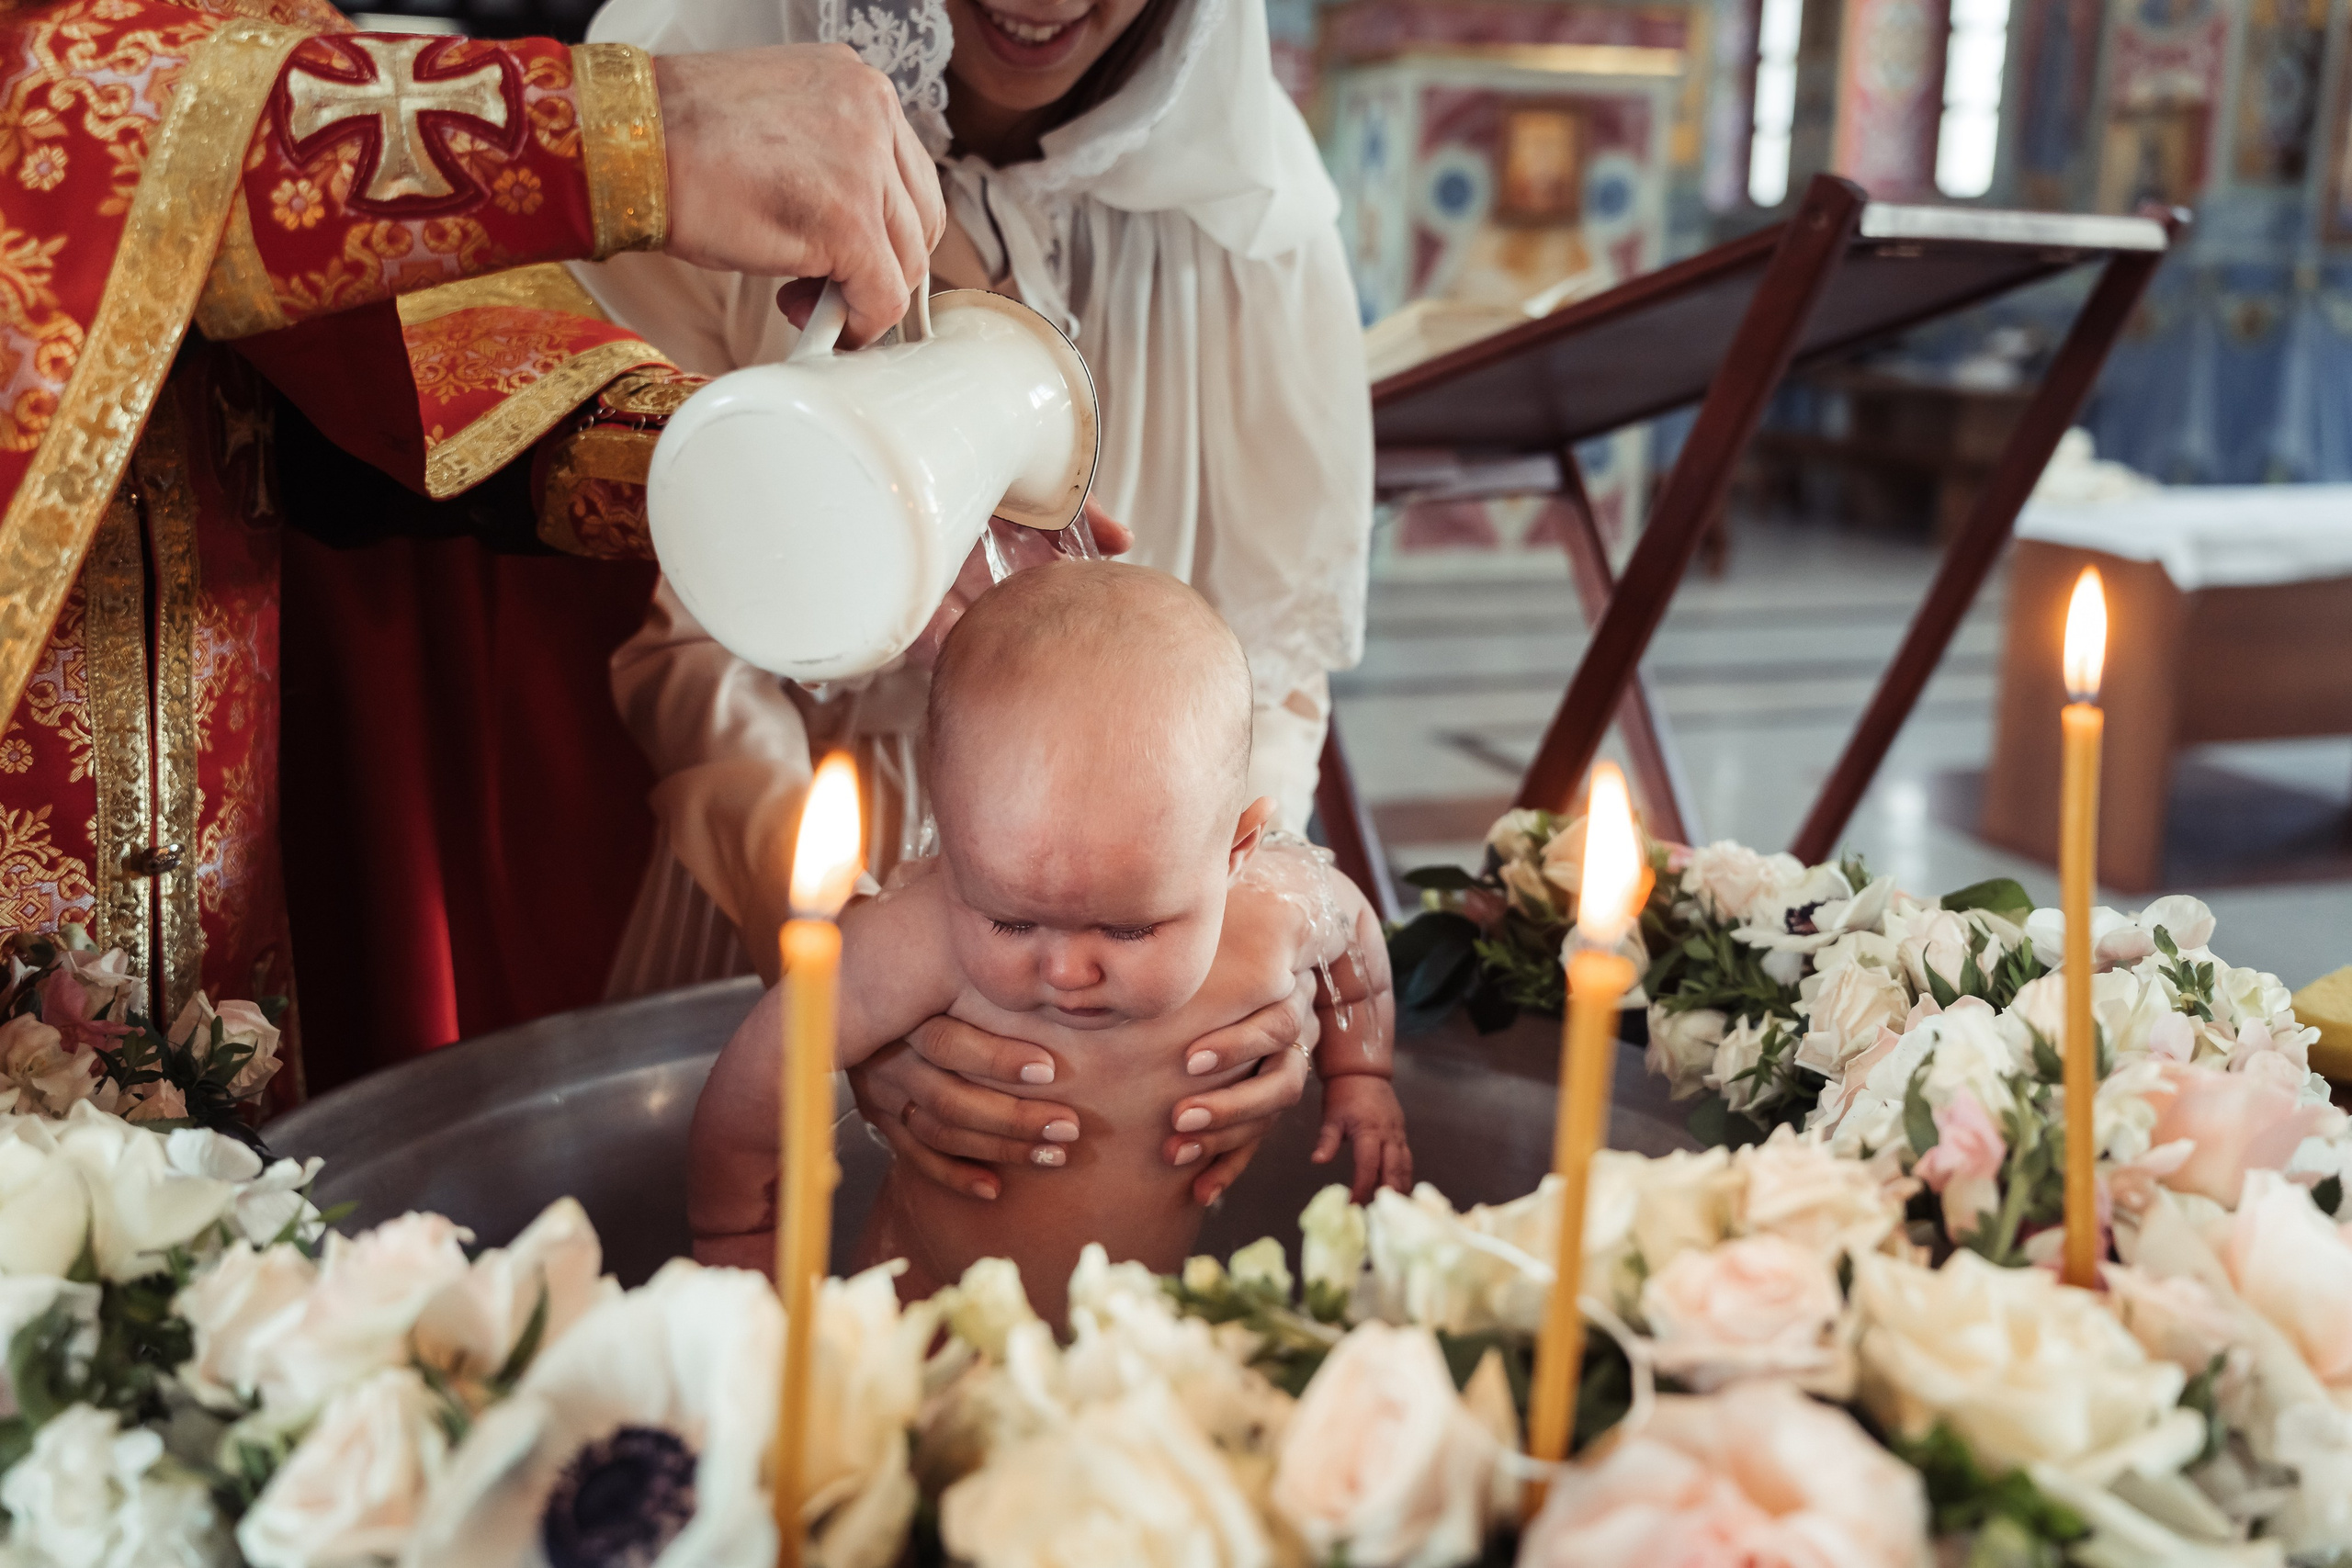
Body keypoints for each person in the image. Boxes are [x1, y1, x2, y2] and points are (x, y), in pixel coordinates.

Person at [0, 0, 946, 1098]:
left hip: (198, 962)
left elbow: (353, 319)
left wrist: (761, 476)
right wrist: (618, 133)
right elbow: (67, 131)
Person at [576, 0, 1374, 1202]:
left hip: (1146, 954)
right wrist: (838, 970)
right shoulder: (699, 94)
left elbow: (1275, 654)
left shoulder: (1252, 202)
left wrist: (1238, 945)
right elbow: (685, 632)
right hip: (779, 862)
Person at [690, 563, 1406, 1324]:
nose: (1067, 969)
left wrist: (1363, 1072)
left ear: (1237, 851)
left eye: (1130, 928)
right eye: (1010, 921)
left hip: (1136, 1330)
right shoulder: (914, 940)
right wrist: (738, 1244)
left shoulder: (1273, 910)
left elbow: (1353, 940)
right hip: (933, 1318)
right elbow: (756, 1081)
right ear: (953, 847)